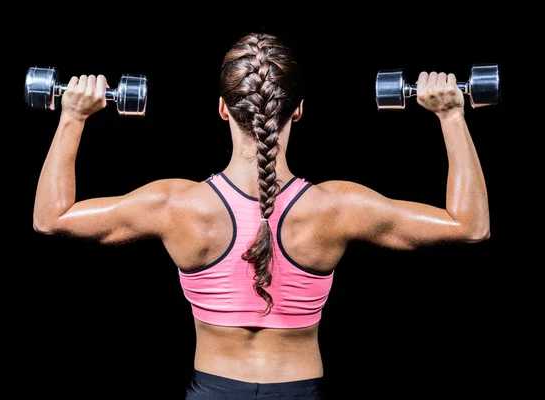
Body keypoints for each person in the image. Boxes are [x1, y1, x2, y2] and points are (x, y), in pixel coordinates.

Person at [32, 33, 490, 399]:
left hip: (211, 390)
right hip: (300, 392)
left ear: (222, 109)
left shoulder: (175, 206)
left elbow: (51, 218)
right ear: (299, 111)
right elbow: (470, 226)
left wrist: (72, 116)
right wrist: (451, 114)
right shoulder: (338, 207)